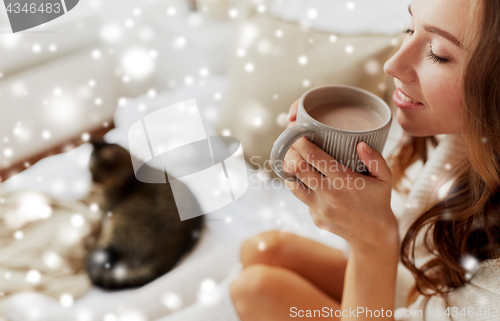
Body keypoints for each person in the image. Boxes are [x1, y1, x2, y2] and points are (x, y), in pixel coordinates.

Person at [228, 0, 500, 320]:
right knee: (265, 249)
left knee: (256, 291)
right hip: (418, 286)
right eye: (410, 28)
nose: (392, 64)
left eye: (438, 53)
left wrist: (372, 242)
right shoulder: (451, 130)